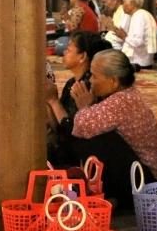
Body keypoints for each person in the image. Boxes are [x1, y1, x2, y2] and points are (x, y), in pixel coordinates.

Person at [70, 49, 157, 202]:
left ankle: (113, 197)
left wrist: (84, 106)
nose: (90, 81)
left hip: (146, 179)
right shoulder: (126, 95)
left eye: (94, 76)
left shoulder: (122, 101)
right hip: (142, 173)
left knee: (95, 139)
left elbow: (81, 127)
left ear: (114, 81)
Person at [46, 31, 112, 164]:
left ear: (82, 56)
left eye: (69, 49)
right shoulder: (72, 82)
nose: (64, 52)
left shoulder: (88, 86)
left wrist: (53, 101)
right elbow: (59, 125)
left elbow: (73, 131)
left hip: (81, 152)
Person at [106, 0, 157, 69]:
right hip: (136, 60)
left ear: (132, 3)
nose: (122, 5)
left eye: (124, 2)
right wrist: (115, 30)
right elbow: (123, 34)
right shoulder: (134, 15)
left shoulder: (139, 16)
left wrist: (123, 36)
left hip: (139, 62)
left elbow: (137, 42)